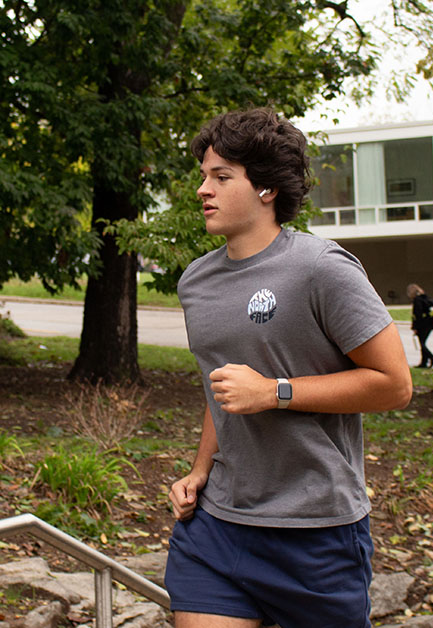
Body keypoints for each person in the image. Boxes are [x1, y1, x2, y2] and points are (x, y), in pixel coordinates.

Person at [165, 107, 413, 628]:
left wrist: (275, 392)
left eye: (221, 176)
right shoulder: (196, 282)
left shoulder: (322, 269)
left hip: (315, 534)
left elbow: (394, 385)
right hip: (217, 525)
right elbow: (224, 390)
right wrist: (200, 469)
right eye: (203, 176)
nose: (202, 190)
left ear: (267, 189)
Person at [407, 283, 433, 369]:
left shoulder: (417, 300)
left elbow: (417, 315)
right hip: (430, 323)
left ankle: (432, 358)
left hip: (422, 325)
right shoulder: (426, 298)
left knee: (422, 343)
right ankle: (424, 362)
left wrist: (415, 327)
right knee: (423, 342)